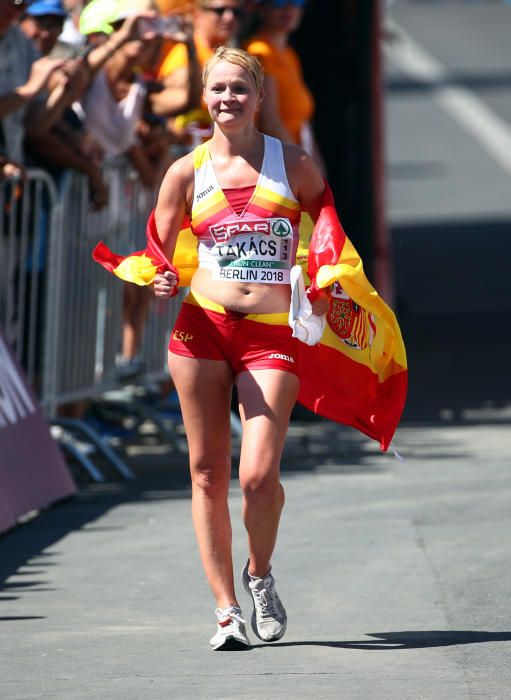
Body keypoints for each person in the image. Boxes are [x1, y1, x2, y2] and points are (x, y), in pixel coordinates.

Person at [151, 46, 329, 650]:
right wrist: (160, 275)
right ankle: (226, 612)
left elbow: (327, 232)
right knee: (206, 472)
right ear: (205, 96)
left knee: (256, 477)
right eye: (218, 89)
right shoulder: (184, 170)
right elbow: (158, 242)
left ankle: (259, 574)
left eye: (239, 90)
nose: (227, 99)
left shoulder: (294, 163)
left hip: (269, 333)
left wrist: (324, 282)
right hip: (200, 331)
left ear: (257, 97)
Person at [243, 0, 325, 171]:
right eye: (279, 2)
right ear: (262, 9)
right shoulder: (259, 52)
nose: (289, 8)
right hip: (278, 164)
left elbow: (302, 121)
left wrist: (317, 166)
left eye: (297, 1)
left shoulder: (289, 54)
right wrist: (303, 166)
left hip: (296, 155)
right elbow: (270, 122)